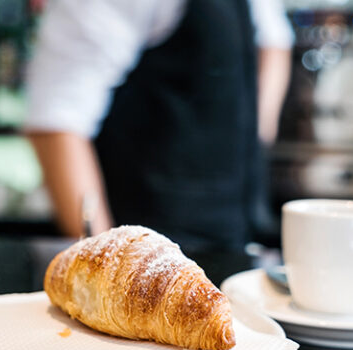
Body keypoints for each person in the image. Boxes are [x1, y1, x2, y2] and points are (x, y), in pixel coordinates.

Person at [25, 0, 293, 249]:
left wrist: (255, 133)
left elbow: (275, 40)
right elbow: (57, 122)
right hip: (148, 245)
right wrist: (106, 265)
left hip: (235, 232)